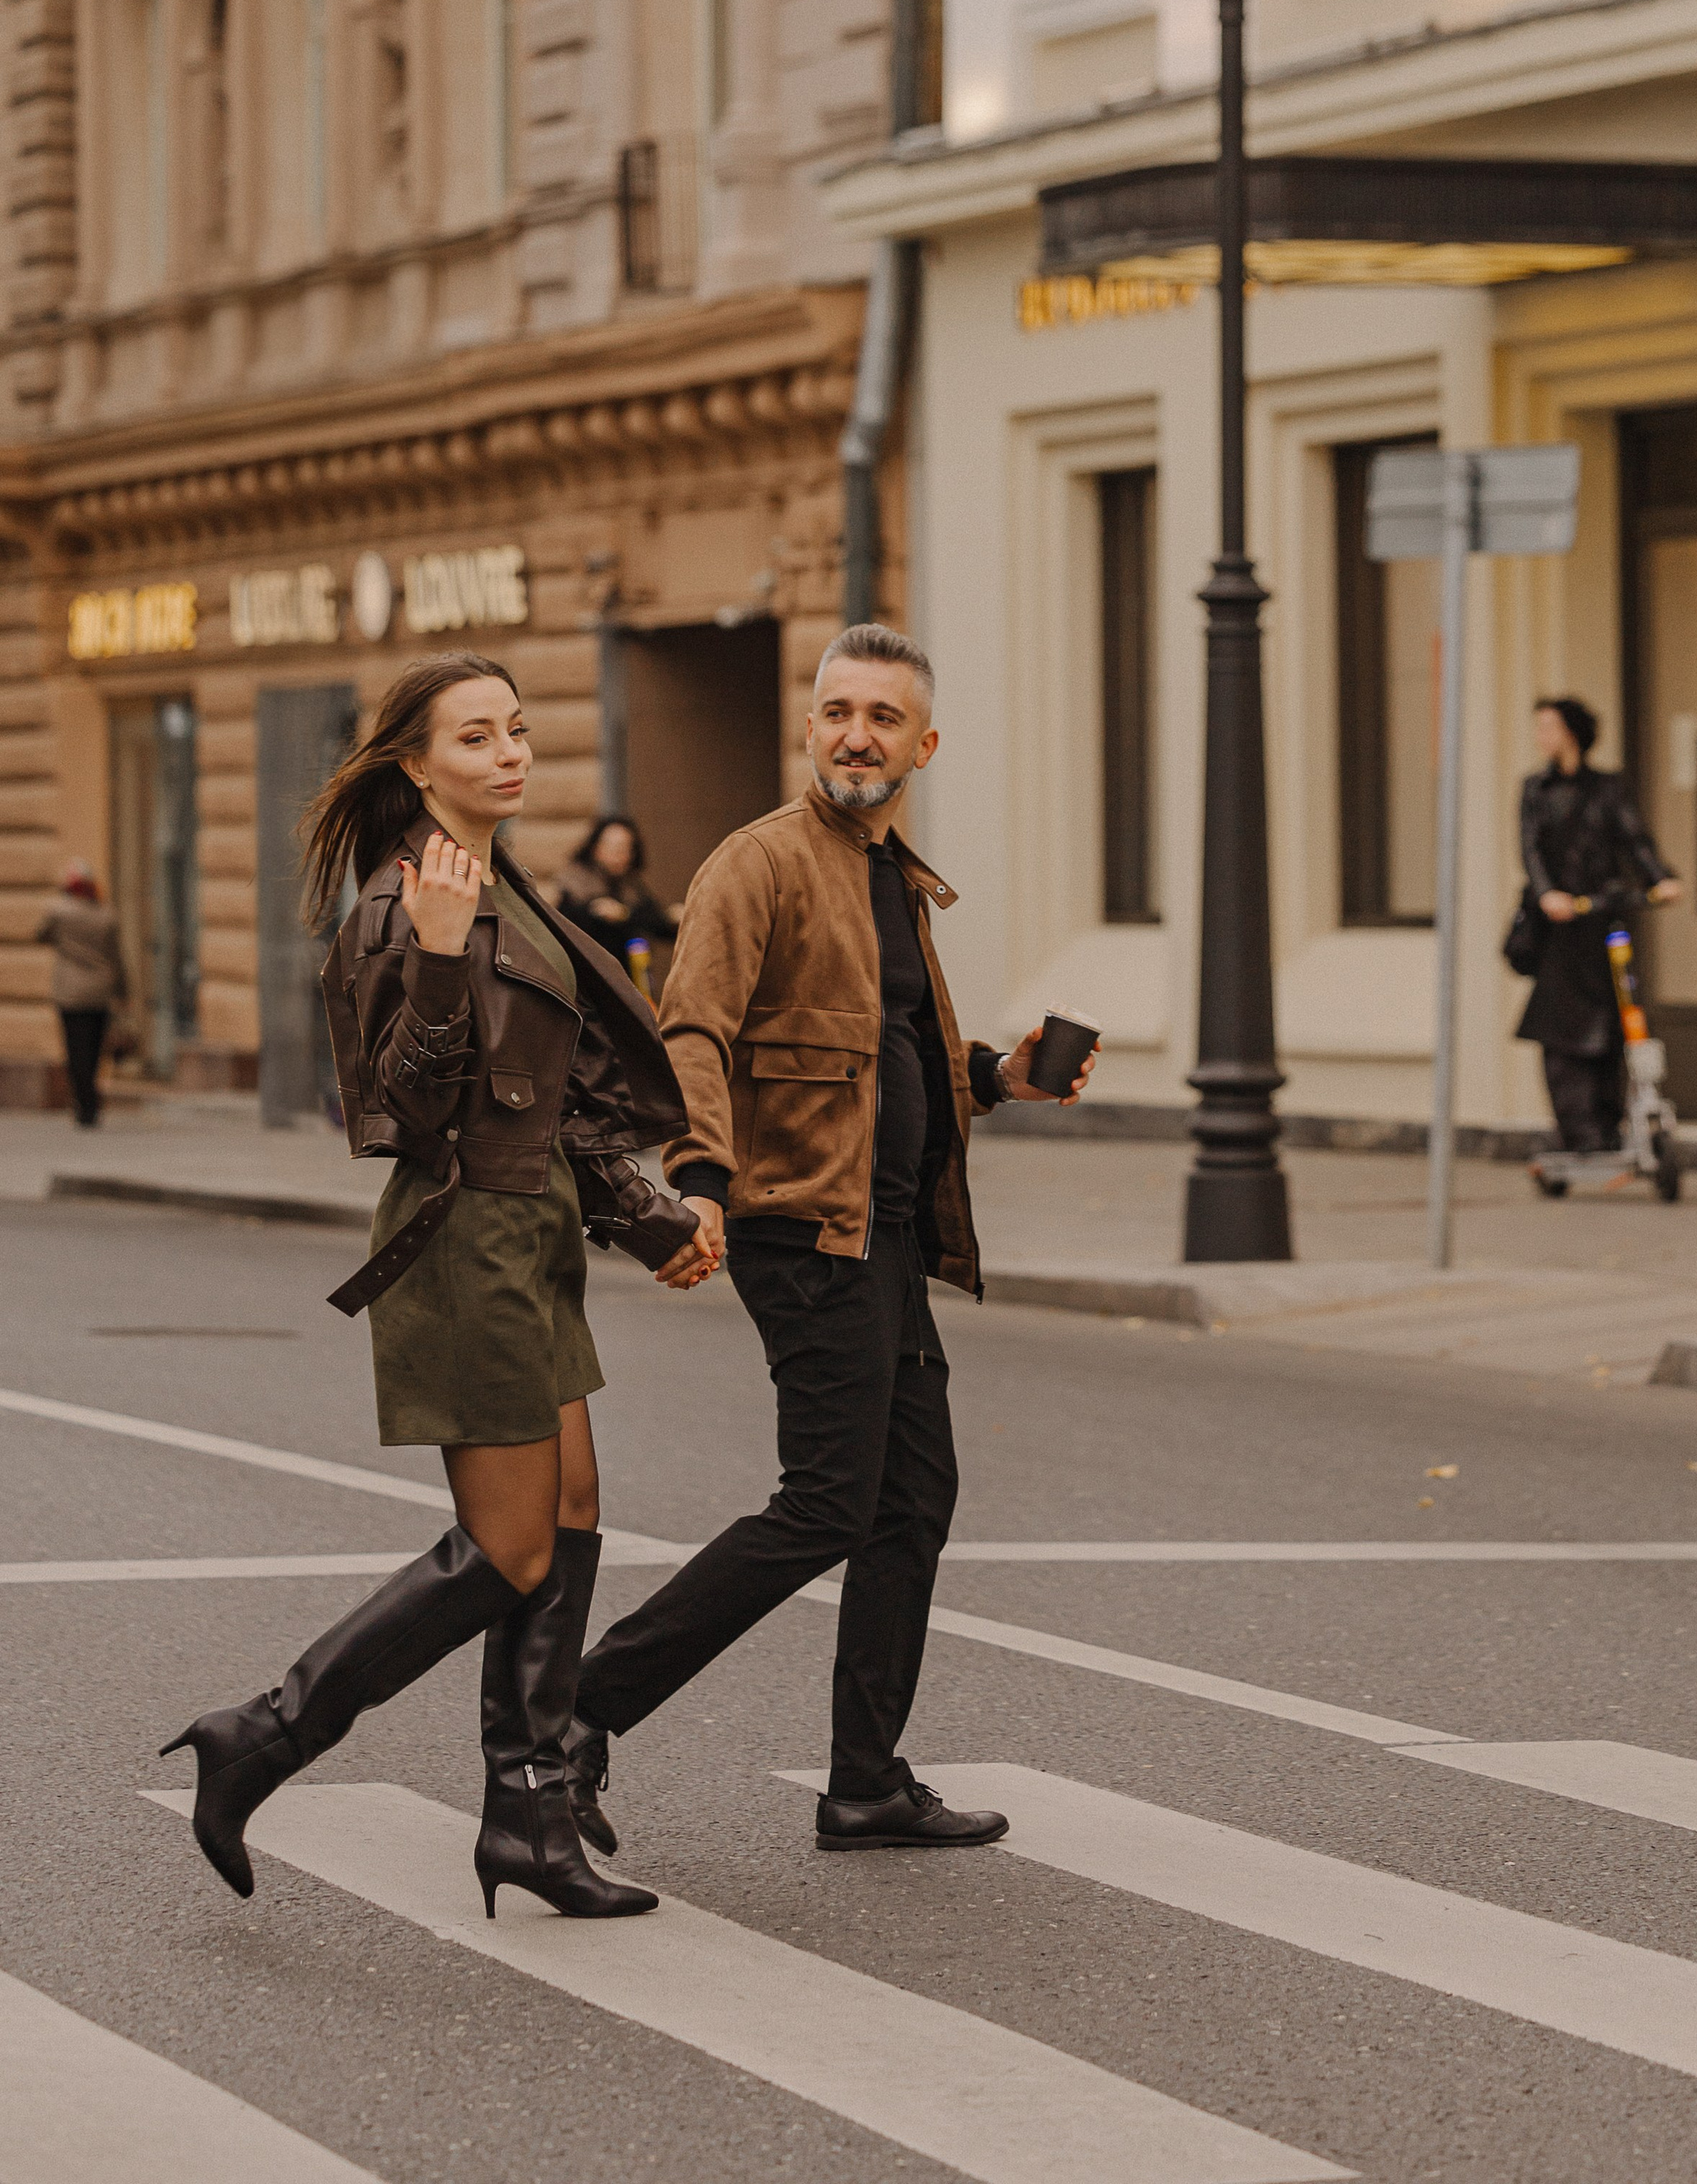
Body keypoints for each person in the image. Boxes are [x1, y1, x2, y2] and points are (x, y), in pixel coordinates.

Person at [162, 651, 722, 1919]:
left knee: (571, 1512)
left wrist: (652, 1218)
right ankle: (262, 1734)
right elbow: (400, 1113)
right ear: (413, 764)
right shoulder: (399, 907)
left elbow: (560, 1107)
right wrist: (432, 958)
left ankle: (526, 1812)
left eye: (517, 730)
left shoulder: (511, 892)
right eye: (475, 738)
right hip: (464, 1243)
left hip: (534, 1236)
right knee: (512, 1544)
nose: (508, 753)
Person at [568, 622, 1095, 1859]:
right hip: (803, 1229)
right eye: (838, 710)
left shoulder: (892, 875)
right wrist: (695, 1179)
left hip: (891, 1235)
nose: (858, 733)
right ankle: (575, 1713)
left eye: (883, 716)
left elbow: (879, 1055)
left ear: (923, 742)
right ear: (810, 726)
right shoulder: (760, 864)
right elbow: (692, 1030)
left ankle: (864, 1781)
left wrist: (1000, 1080)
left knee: (911, 1503)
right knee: (825, 1504)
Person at [1516, 696, 1682, 1155]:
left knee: (1617, 1021)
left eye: (1548, 727)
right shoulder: (1536, 790)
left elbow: (1635, 838)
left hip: (1603, 918)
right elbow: (1530, 850)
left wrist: (1661, 878)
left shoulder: (1607, 789)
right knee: (1563, 1032)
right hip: (1560, 928)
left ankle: (1610, 1125)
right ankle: (1577, 1130)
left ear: (1571, 732)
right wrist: (1548, 894)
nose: (1541, 737)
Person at [36, 860, 126, 1129]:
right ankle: (91, 1100)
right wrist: (123, 992)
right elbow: (117, 959)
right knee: (96, 1050)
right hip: (100, 991)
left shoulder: (59, 912)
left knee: (76, 1050)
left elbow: (41, 935)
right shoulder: (107, 915)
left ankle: (84, 1103)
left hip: (70, 992)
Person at [558, 814, 676, 974]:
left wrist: (675, 919)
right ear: (596, 848)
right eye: (612, 847)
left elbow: (655, 922)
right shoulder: (577, 885)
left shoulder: (632, 886)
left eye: (625, 848)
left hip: (632, 978)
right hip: (591, 978)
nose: (618, 854)